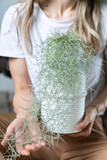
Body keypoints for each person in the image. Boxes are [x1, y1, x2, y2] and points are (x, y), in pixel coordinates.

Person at [0, 0, 107, 159]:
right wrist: (25, 116)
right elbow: (22, 88)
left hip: (84, 133)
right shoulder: (18, 15)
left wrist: (94, 108)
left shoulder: (102, 14)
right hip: (32, 129)